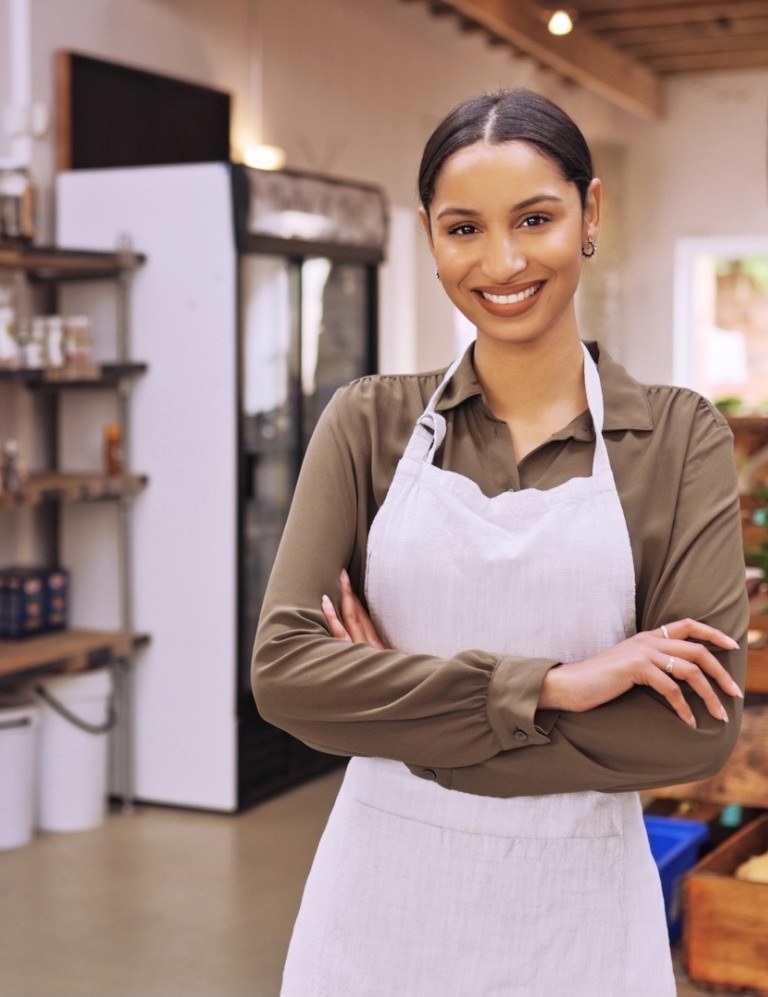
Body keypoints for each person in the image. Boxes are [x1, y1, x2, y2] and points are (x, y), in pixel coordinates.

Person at [252, 88, 748, 997]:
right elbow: (286, 674)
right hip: (377, 918)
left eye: (535, 218)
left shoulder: (678, 439)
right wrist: (555, 684)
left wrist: (408, 722)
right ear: (431, 237)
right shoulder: (367, 423)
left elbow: (691, 735)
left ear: (590, 213)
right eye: (464, 228)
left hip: (579, 929)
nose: (503, 259)